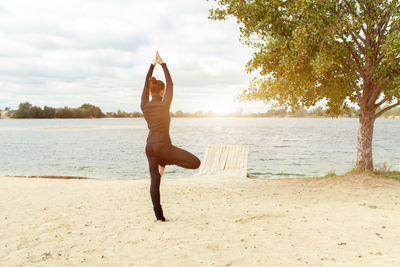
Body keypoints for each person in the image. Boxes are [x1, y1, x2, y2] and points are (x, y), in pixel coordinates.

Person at [140, 51, 201, 222]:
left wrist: (152, 66)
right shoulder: (165, 104)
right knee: (195, 163)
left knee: (154, 181)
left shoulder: (144, 104)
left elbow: (145, 85)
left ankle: (159, 217)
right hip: (163, 147)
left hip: (150, 147)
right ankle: (165, 161)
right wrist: (163, 64)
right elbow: (171, 84)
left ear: (151, 92)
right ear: (163, 91)